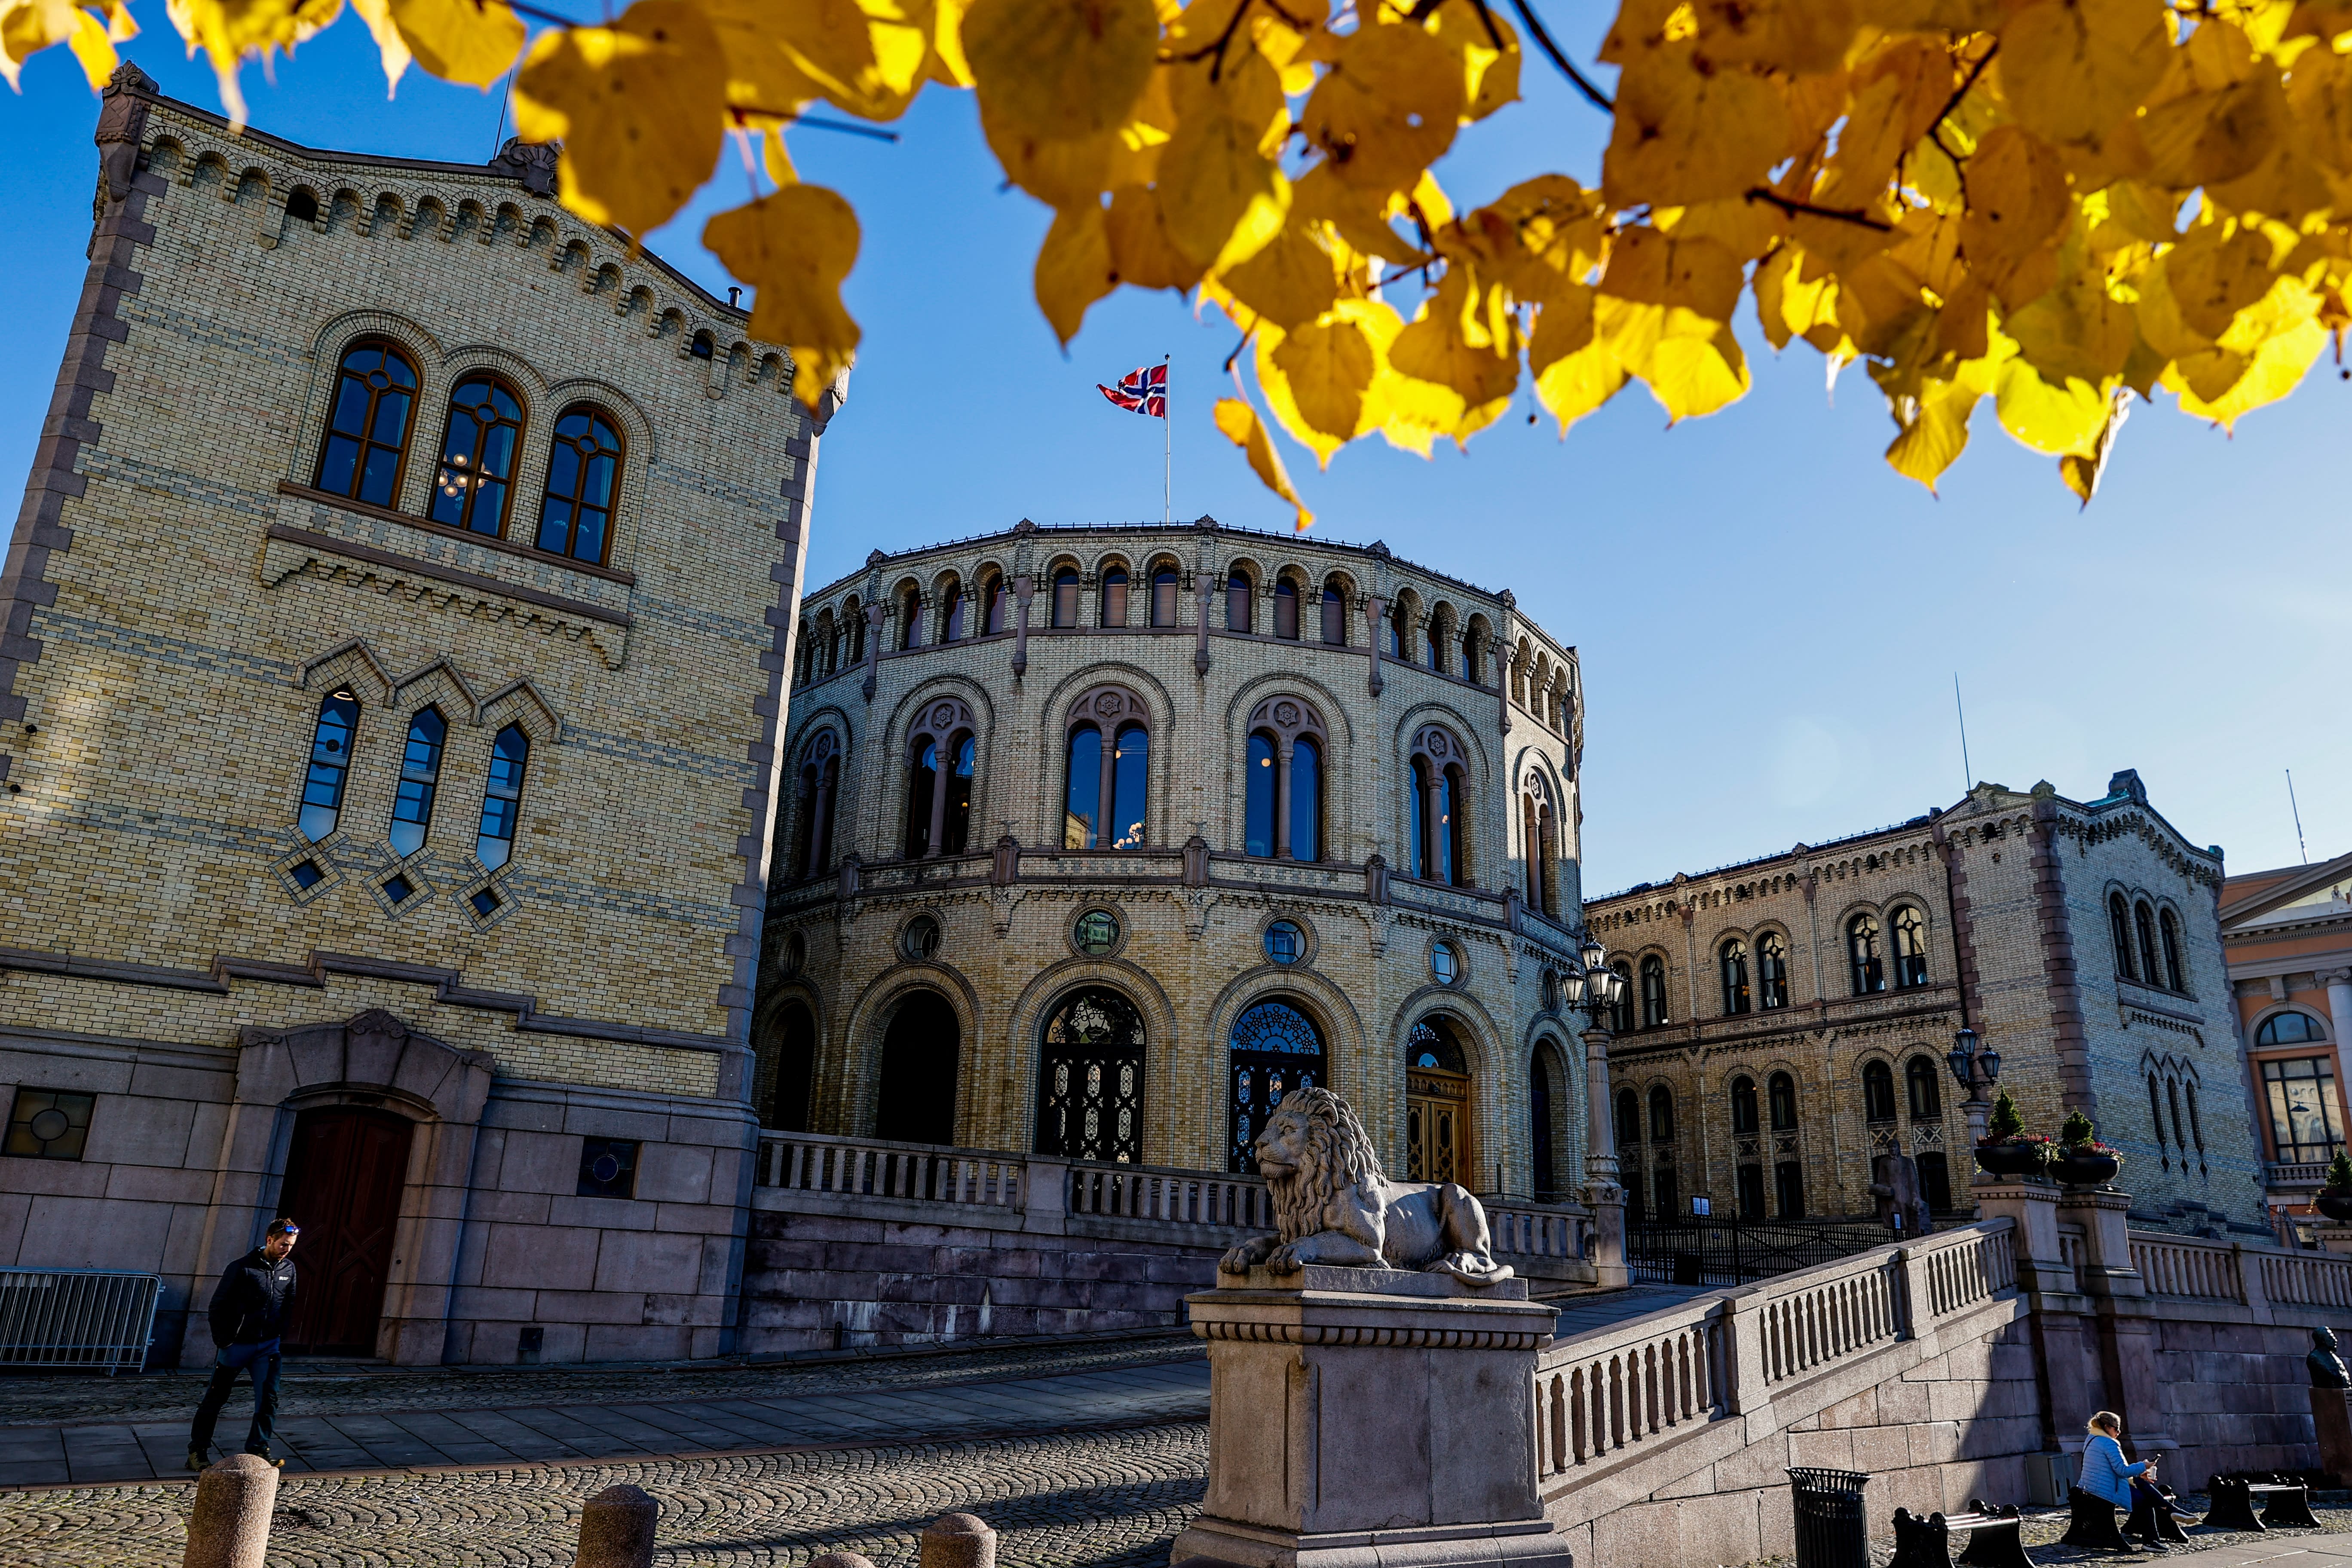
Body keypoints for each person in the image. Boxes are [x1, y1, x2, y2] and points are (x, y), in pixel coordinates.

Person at [186, 1218, 299, 1472]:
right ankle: (197, 1451)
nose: (287, 1249)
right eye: (283, 1244)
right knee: (216, 1398)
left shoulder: (289, 1269)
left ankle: (259, 1448)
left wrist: (279, 1335)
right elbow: (217, 1306)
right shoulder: (241, 1268)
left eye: (291, 1245)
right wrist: (224, 1341)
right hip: (236, 1346)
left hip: (268, 1347)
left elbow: (289, 1304)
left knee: (269, 1399)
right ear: (269, 1240)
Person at [2079, 1410, 2177, 1551]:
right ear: (2107, 1427)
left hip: (2092, 1488)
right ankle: (2154, 1536)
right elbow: (2122, 1471)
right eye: (2116, 1429)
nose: (2119, 1432)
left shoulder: (2092, 1439)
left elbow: (2111, 1470)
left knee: (2141, 1485)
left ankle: (2168, 1510)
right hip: (2103, 1491)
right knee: (2145, 1502)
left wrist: (2139, 1473)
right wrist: (2144, 1466)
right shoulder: (2109, 1443)